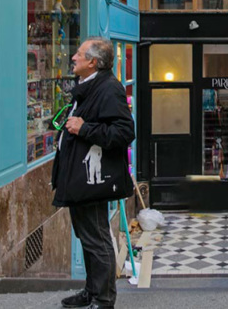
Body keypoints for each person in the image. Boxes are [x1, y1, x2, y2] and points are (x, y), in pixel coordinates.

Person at [53, 37, 135, 309]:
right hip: (81, 178)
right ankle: (91, 291)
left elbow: (124, 132)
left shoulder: (109, 89)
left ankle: (103, 300)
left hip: (92, 179)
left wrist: (84, 128)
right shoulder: (88, 86)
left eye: (79, 54)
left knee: (97, 239)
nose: (73, 58)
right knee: (87, 237)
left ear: (93, 62)